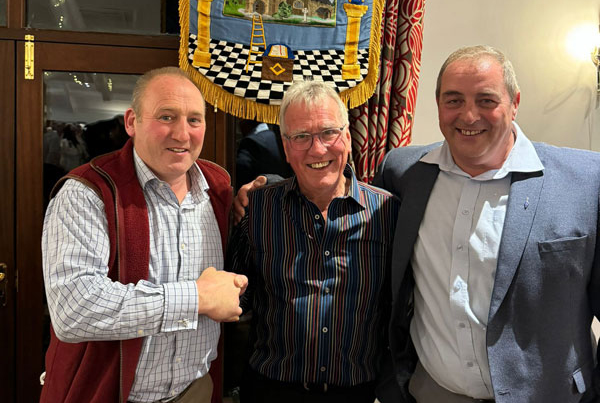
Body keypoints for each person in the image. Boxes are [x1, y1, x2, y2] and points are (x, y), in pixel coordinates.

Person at [374, 45, 600, 403]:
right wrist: (258, 190)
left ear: (514, 102)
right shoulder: (402, 171)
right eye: (453, 100)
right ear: (437, 105)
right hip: (432, 392)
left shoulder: (587, 181)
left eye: (486, 100)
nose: (468, 115)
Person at [41, 66, 248, 403]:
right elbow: (74, 310)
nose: (182, 134)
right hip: (107, 392)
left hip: (196, 391)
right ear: (131, 122)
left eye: (194, 120)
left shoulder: (219, 188)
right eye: (167, 116)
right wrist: (197, 298)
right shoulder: (87, 192)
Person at [228, 80, 399, 403]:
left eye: (328, 133)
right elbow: (237, 299)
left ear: (347, 137)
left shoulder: (388, 212)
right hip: (270, 391)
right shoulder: (257, 208)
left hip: (358, 394)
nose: (317, 149)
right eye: (302, 137)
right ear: (286, 146)